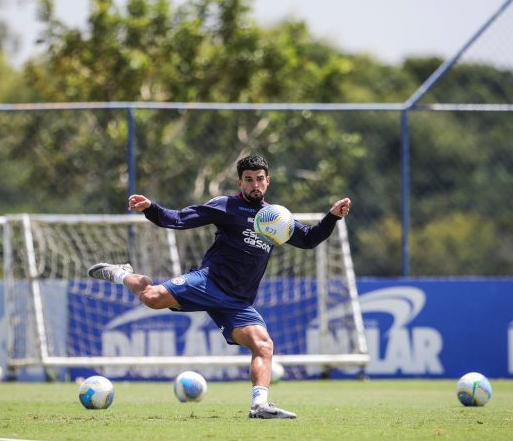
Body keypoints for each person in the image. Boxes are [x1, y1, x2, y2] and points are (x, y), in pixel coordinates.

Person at [88, 154, 351, 419]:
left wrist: (332, 217)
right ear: (240, 182)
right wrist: (149, 208)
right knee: (152, 297)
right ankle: (122, 275)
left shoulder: (275, 217)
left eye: (259, 179)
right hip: (209, 282)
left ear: (268, 181)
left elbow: (309, 239)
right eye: (248, 180)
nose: (254, 184)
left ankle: (260, 405)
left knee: (264, 345)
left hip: (238, 301)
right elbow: (178, 219)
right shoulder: (226, 206)